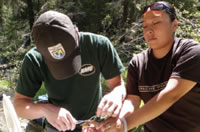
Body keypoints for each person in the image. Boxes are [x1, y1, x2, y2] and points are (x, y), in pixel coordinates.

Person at [13, 10, 126, 132]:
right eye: (57, 63)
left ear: (76, 32)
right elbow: (19, 105)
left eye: (70, 59)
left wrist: (116, 94)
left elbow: (118, 85)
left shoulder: (98, 45)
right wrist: (46, 109)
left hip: (95, 125)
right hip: (57, 128)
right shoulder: (34, 59)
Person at [95, 1, 200, 132]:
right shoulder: (138, 62)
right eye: (145, 26)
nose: (149, 30)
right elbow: (132, 100)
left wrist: (125, 124)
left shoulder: (191, 52)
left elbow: (170, 95)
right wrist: (114, 124)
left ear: (174, 25)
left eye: (156, 23)